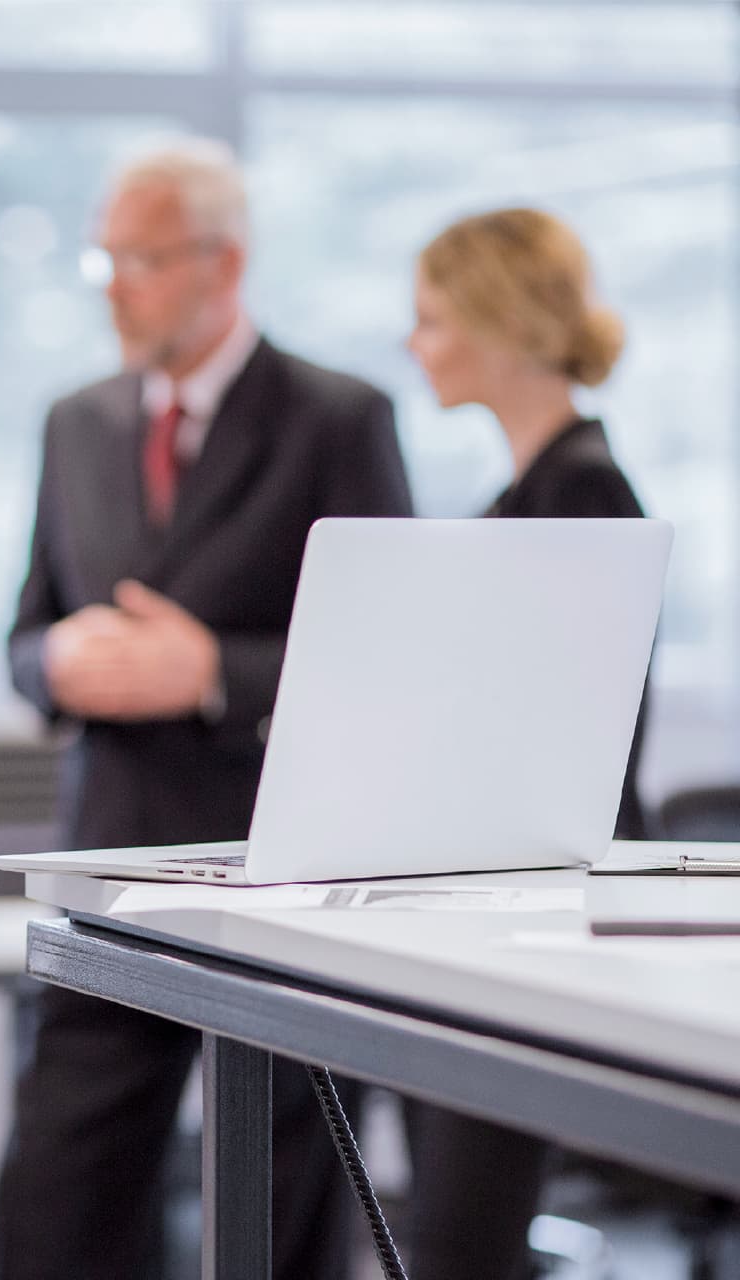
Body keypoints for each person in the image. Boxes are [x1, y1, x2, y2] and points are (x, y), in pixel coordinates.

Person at [0, 138, 414, 1280]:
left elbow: (386, 656)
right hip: (114, 856)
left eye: (142, 257)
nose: (115, 282)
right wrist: (56, 662)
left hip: (285, 864)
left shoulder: (338, 416)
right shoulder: (75, 420)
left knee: (278, 1197)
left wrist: (214, 672)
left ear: (226, 264)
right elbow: (23, 636)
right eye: (104, 258)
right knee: (58, 1185)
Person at [403, 206, 647, 1280]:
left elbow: (569, 736)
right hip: (497, 899)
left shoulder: (579, 491)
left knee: (465, 1232)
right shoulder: (523, 490)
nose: (417, 345)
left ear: (499, 325)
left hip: (534, 912)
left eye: (432, 319)